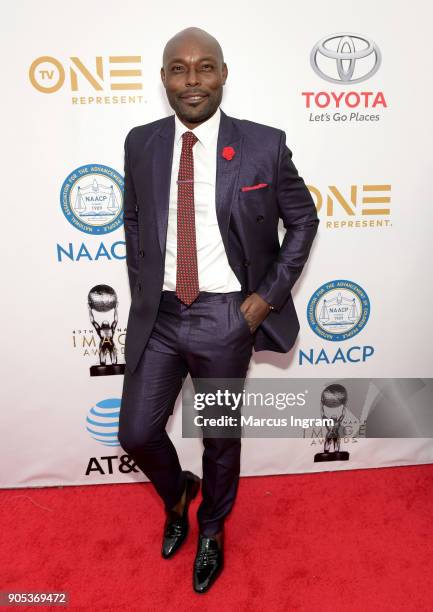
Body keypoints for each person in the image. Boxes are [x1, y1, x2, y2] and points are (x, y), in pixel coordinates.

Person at [118, 26, 319, 593]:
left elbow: (304, 221)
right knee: (135, 432)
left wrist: (262, 301)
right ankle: (178, 491)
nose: (192, 80)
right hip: (158, 316)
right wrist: (141, 286)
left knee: (219, 436)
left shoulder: (263, 144)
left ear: (224, 74)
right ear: (163, 79)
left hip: (226, 316)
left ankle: (211, 526)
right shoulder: (141, 142)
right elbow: (135, 220)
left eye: (204, 67)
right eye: (178, 69)